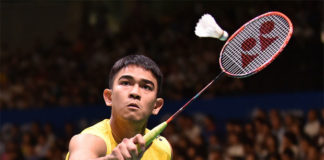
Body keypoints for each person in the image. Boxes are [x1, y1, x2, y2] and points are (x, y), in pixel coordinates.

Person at [66, 55, 172, 160]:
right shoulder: (88, 140)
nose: (135, 92)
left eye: (146, 87)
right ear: (109, 97)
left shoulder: (163, 148)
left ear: (156, 106)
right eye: (125, 83)